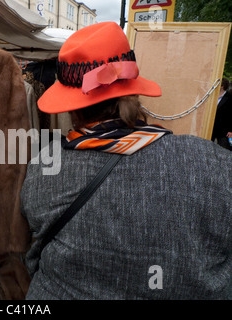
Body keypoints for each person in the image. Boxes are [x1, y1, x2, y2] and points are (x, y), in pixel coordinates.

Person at [20, 22, 232, 300]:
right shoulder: (215, 164)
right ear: (133, 92)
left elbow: (32, 254)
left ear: (71, 107)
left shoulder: (44, 169)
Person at [212, 78, 232, 150]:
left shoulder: (230, 98)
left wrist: (231, 130)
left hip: (224, 131)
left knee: (223, 151)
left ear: (222, 86)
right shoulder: (212, 96)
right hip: (211, 128)